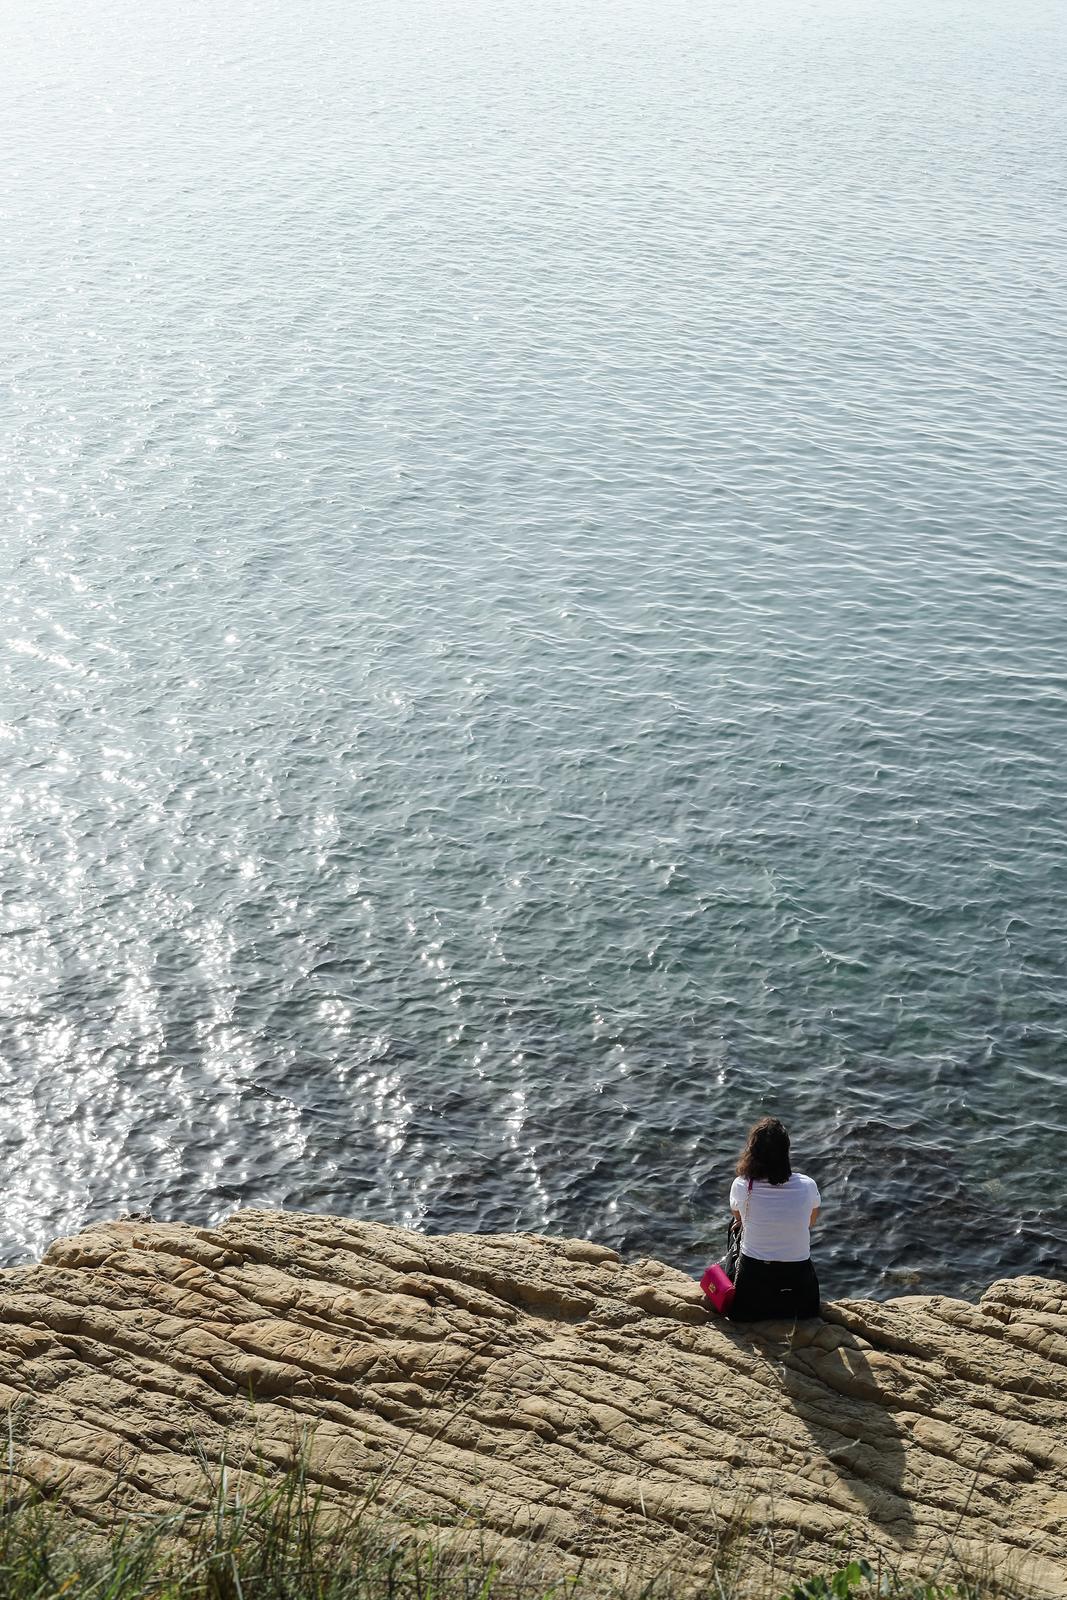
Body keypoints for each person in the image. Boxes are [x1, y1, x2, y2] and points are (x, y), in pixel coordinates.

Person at [726, 1116, 821, 1320]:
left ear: (752, 1152)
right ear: (786, 1151)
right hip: (800, 1290)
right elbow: (810, 1223)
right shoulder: (807, 1185)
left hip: (753, 1287)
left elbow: (739, 1219)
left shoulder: (742, 1185)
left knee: (734, 1225)